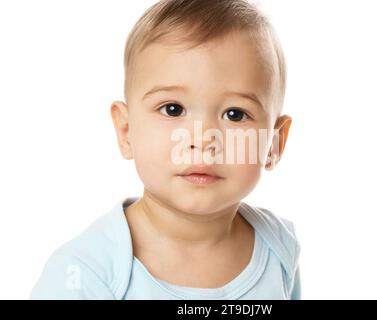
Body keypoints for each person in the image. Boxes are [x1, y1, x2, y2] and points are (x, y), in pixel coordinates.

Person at [31, 0, 300, 299]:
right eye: (173, 109)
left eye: (235, 114)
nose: (202, 140)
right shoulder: (85, 273)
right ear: (126, 130)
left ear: (275, 143)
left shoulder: (279, 249)